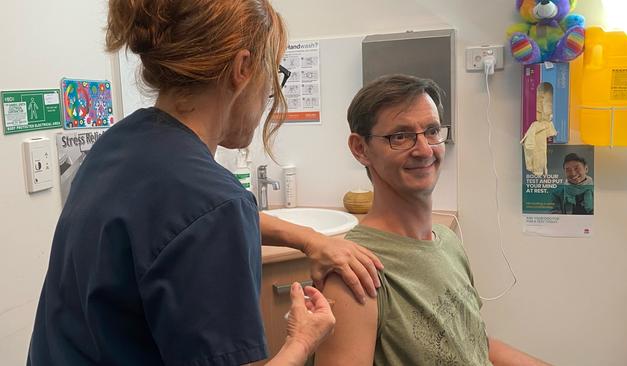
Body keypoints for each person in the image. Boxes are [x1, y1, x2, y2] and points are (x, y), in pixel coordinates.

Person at [27, 1, 383, 365]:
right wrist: (303, 340)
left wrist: (310, 240)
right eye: (274, 73)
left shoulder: (118, 144)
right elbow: (205, 214)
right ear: (242, 68)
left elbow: (181, 221)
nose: (267, 97)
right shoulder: (211, 202)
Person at [311, 75, 550, 365]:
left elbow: (473, 344)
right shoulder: (355, 271)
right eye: (400, 136)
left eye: (432, 131)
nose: (425, 149)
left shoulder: (447, 242)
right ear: (360, 149)